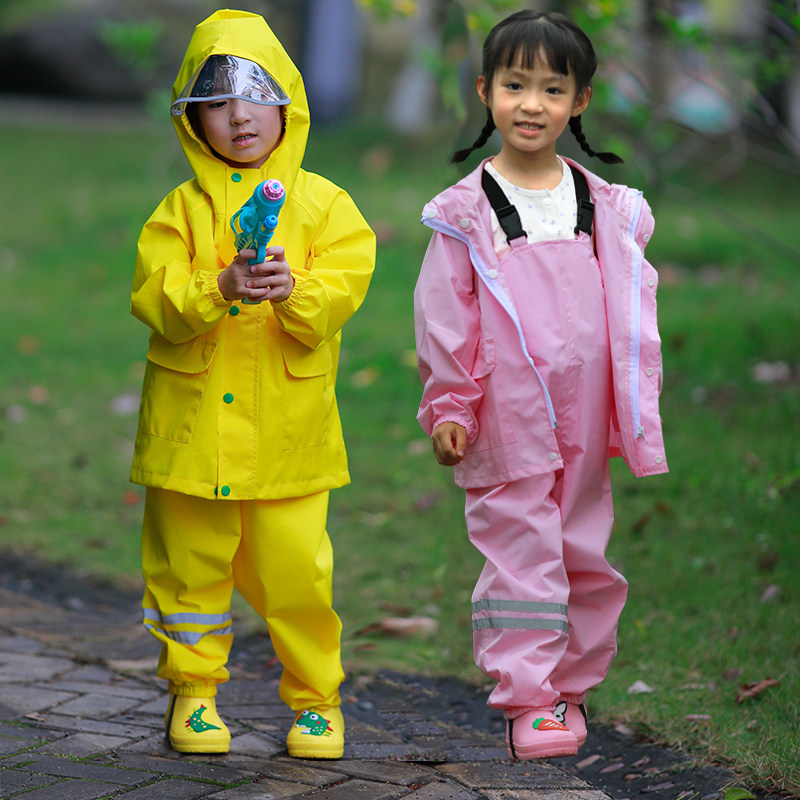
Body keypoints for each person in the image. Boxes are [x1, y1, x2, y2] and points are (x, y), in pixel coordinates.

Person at [414, 10, 667, 761]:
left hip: (585, 416)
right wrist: (450, 405)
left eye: (551, 88)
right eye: (516, 85)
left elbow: (626, 311)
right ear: (486, 90)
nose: (532, 104)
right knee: (523, 553)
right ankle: (527, 699)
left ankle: (570, 689)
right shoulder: (466, 213)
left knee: (585, 550)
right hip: (506, 413)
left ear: (579, 102)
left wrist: (634, 406)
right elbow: (444, 320)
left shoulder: (607, 209)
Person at [130, 9, 375, 759]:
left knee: (297, 575)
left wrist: (292, 290)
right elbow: (155, 296)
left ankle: (315, 701)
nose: (238, 117)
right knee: (189, 574)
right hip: (191, 437)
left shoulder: (325, 206)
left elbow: (346, 285)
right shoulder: (180, 212)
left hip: (287, 441)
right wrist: (219, 285)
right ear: (191, 121)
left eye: (253, 97)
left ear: (287, 105)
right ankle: (194, 693)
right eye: (215, 103)